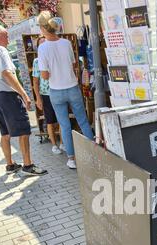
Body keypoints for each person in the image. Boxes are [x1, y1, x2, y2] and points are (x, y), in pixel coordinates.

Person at [37, 12, 94, 170]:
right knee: (82, 121)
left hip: (56, 90)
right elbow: (74, 64)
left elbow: (45, 75)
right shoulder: (66, 43)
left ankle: (71, 159)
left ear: (42, 28)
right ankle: (93, 153)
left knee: (65, 125)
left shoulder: (42, 48)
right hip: (72, 87)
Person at [0, 24, 47, 176]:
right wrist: (24, 94)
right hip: (7, 95)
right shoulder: (0, 50)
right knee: (24, 130)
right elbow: (7, 73)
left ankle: (10, 164)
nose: (8, 38)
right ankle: (28, 165)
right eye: (6, 35)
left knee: (5, 132)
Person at [32, 36, 65, 155]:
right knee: (50, 121)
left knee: (62, 119)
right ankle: (54, 145)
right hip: (46, 94)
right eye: (41, 44)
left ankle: (62, 142)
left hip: (59, 90)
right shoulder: (37, 61)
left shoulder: (54, 57)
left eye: (45, 43)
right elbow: (35, 82)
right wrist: (38, 99)